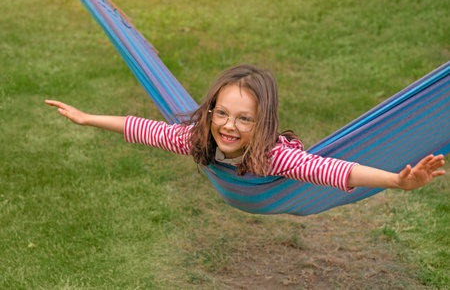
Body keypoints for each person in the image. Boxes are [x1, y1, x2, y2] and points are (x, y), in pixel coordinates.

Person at [45, 64, 445, 192]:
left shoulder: (276, 157)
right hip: (241, 172)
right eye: (221, 113)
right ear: (210, 110)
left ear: (262, 123)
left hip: (269, 177)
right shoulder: (196, 136)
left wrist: (396, 181)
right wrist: (86, 117)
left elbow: (334, 169)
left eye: (244, 119)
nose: (229, 127)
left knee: (305, 161)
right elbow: (139, 127)